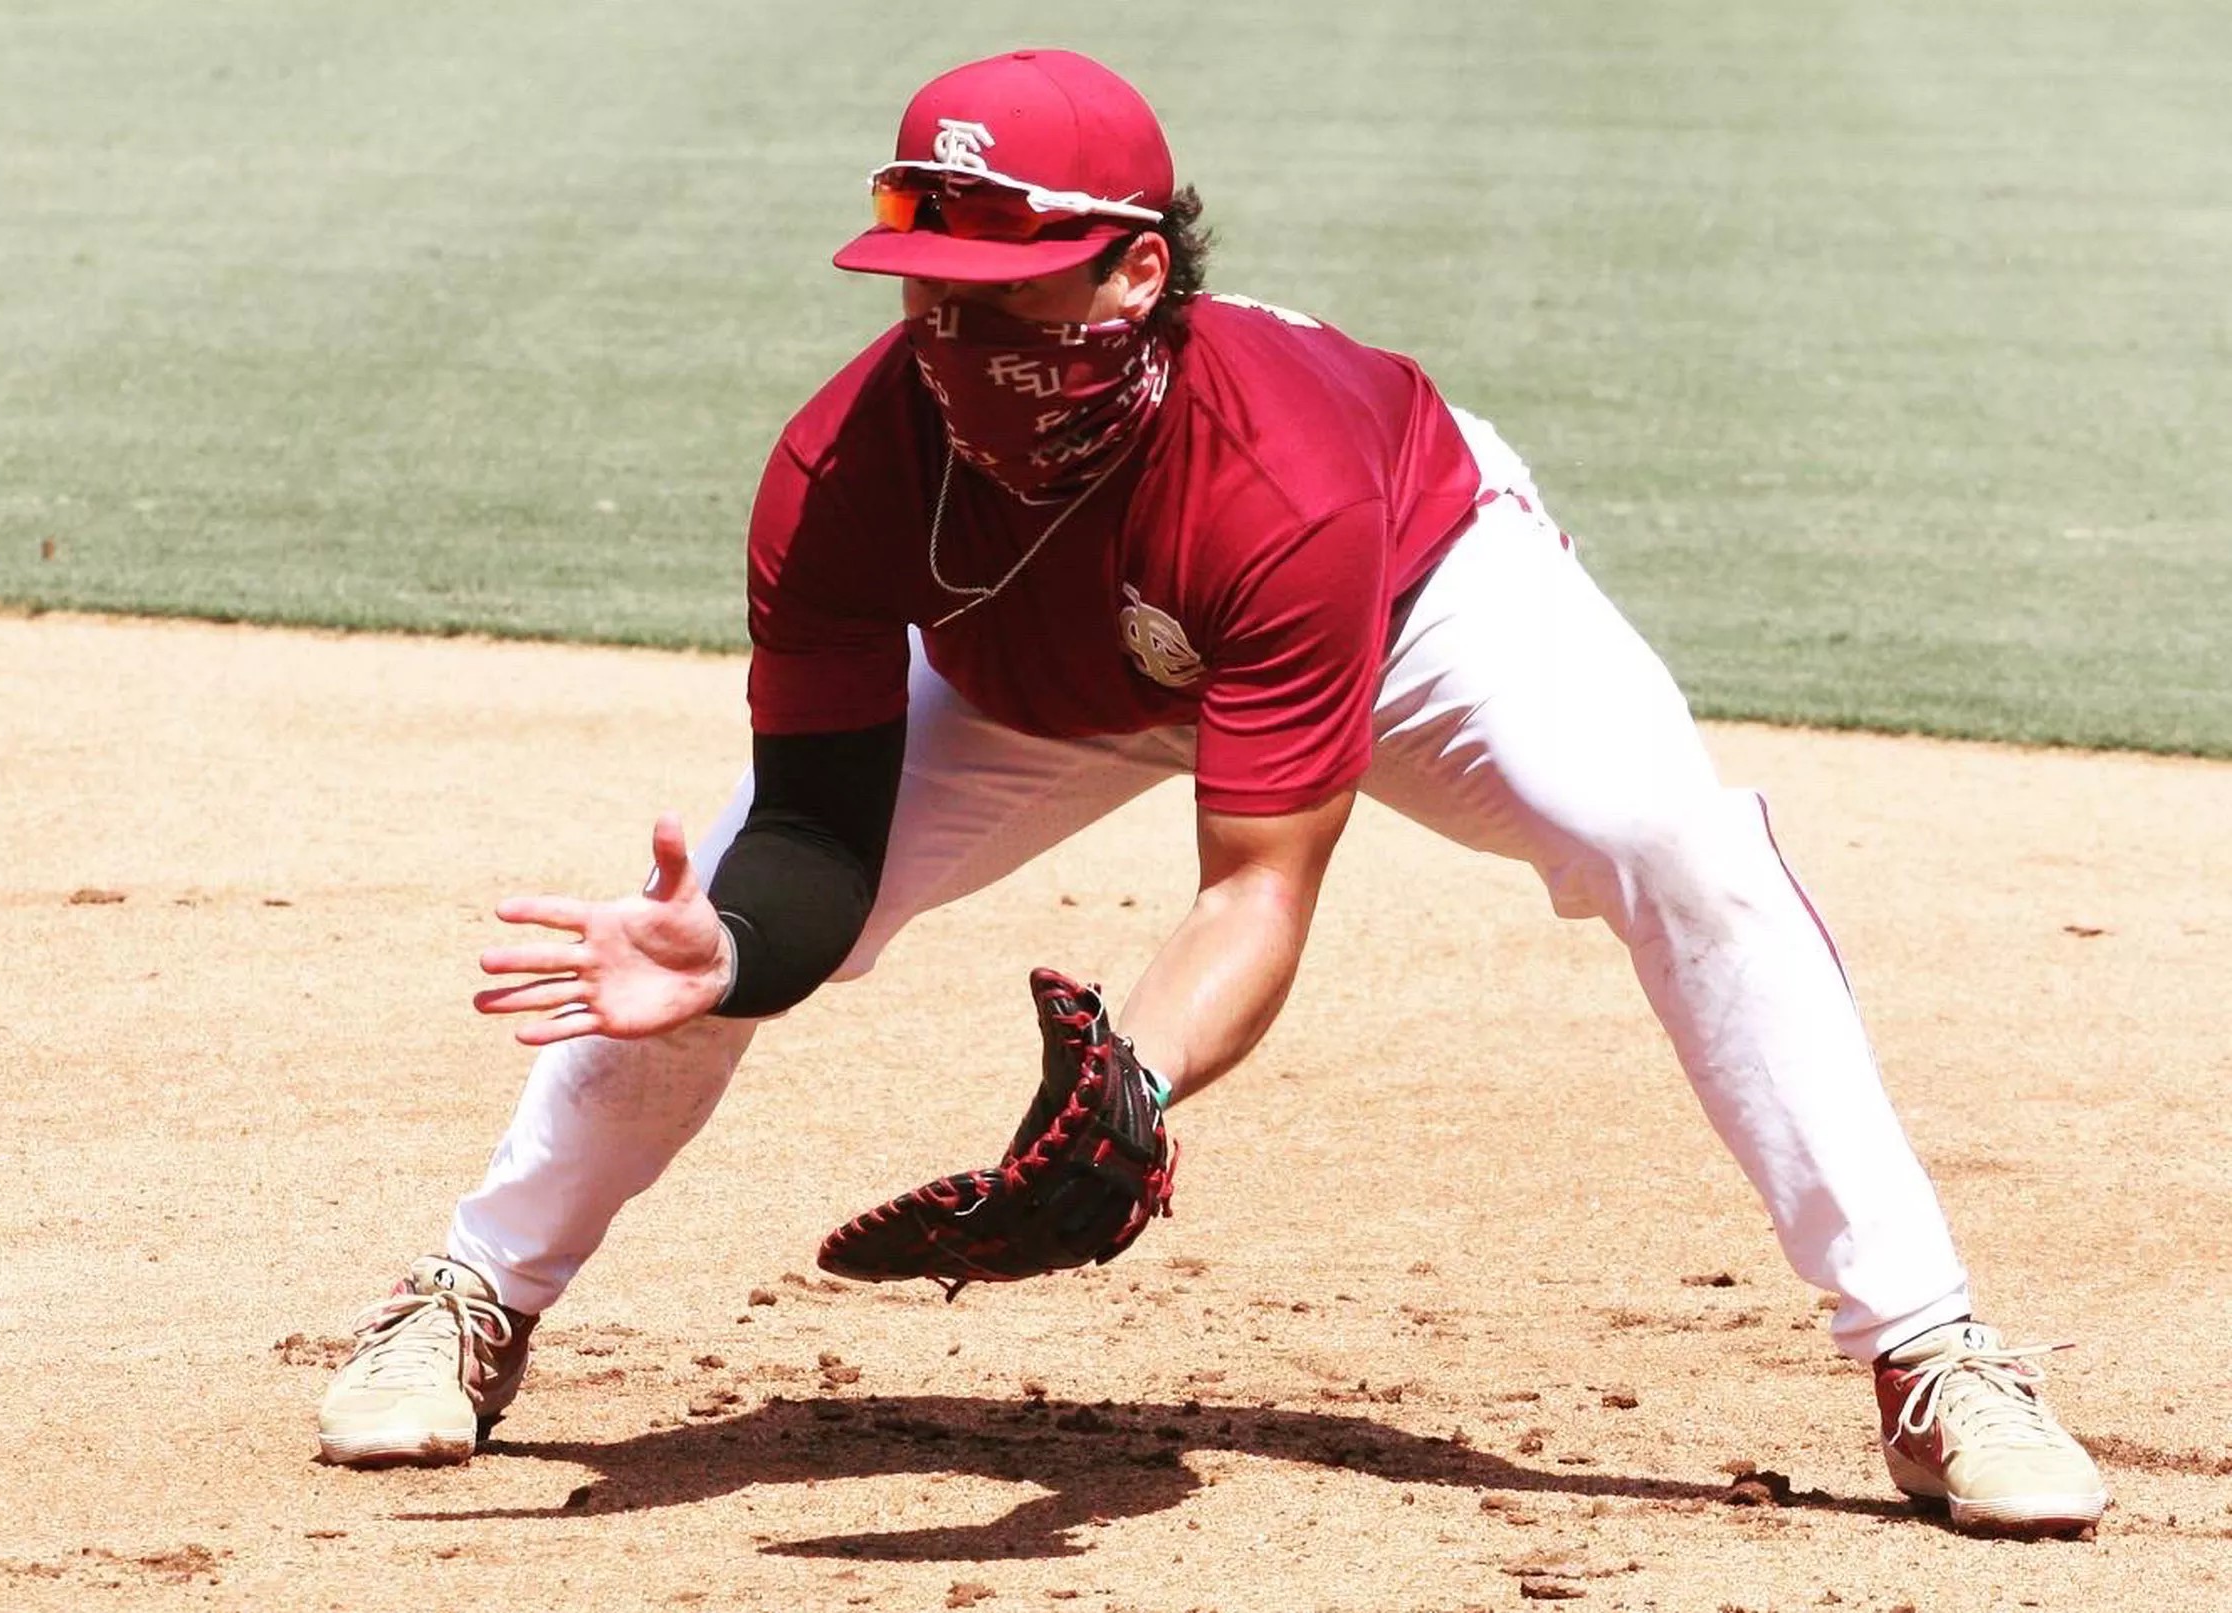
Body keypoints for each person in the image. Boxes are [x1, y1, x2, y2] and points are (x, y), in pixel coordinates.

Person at [314, 48, 2107, 1536]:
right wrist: (742, 950)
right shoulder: (843, 464)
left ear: (1135, 274)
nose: (964, 347)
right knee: (686, 922)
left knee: (1677, 844)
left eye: (1010, 301)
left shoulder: (1284, 471)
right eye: (934, 301)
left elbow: (1257, 884)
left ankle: (1932, 1351)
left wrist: (1135, 1088)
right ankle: (473, 1296)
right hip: (1032, 676)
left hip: (1412, 606)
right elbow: (819, 828)